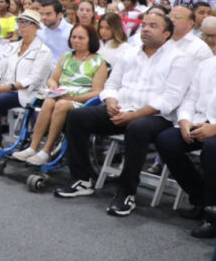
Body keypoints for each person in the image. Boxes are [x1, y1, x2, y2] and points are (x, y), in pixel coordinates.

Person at [54, 11, 190, 217]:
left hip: (154, 117)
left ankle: (126, 192)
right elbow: (111, 85)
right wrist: (110, 101)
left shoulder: (178, 58)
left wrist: (134, 115)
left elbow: (169, 99)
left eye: (153, 26)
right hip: (120, 109)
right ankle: (82, 179)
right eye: (144, 24)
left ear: (167, 33)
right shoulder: (130, 54)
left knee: (137, 128)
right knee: (77, 116)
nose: (145, 28)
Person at [155, 20, 216, 239]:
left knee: (214, 147)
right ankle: (200, 198)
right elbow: (190, 97)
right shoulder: (207, 65)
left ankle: (215, 216)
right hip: (202, 123)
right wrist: (184, 120)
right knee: (166, 139)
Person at [12, 23, 108, 165]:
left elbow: (97, 92)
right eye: (73, 37)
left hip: (82, 101)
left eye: (80, 38)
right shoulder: (66, 56)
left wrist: (73, 98)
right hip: (60, 95)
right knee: (50, 101)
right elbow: (53, 79)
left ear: (90, 40)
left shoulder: (98, 61)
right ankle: (33, 147)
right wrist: (53, 86)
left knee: (61, 104)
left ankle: (47, 150)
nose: (75, 40)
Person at [0, 10, 53, 160]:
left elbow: (34, 79)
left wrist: (8, 87)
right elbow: (0, 68)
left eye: (26, 22)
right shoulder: (12, 46)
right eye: (20, 22)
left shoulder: (43, 51)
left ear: (36, 27)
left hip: (26, 93)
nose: (21, 25)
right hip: (5, 88)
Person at [37, 0, 72, 67]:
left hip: (63, 72)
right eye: (42, 14)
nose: (44, 17)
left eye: (48, 14)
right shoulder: (38, 29)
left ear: (59, 15)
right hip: (40, 70)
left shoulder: (71, 31)